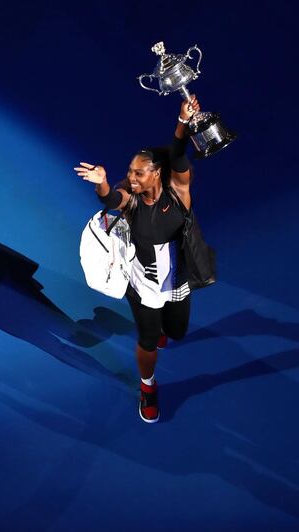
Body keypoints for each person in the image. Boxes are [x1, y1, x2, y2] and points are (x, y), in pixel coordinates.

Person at [74, 95, 202, 423]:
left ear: (157, 174)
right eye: (130, 171)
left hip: (177, 280)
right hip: (142, 283)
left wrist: (183, 121)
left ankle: (162, 326)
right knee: (148, 339)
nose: (131, 177)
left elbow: (178, 152)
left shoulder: (179, 192)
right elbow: (113, 198)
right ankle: (147, 387)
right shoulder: (130, 201)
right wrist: (102, 183)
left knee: (175, 330)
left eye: (139, 173)